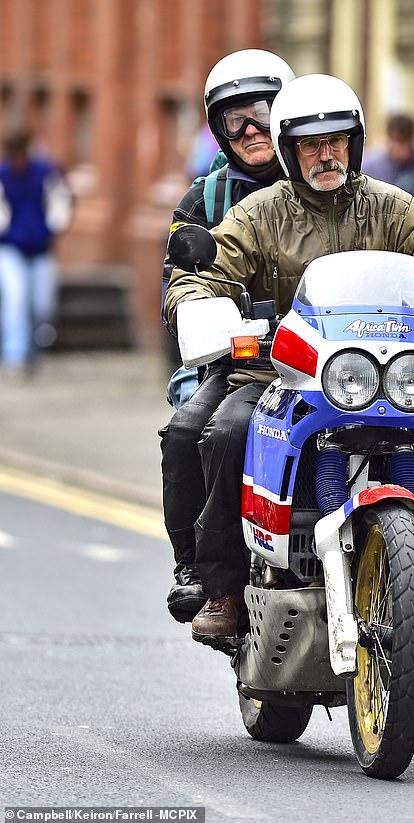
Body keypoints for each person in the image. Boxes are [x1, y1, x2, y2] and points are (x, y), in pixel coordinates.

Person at [164, 74, 414, 660]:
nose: (326, 154)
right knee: (227, 431)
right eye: (311, 145)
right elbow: (204, 272)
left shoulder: (391, 208)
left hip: (384, 372)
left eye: (338, 141)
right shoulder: (258, 213)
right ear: (290, 152)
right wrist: (201, 306)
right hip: (278, 373)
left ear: (356, 142)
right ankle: (220, 590)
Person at [158, 49, 295, 624]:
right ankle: (202, 572)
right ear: (217, 129)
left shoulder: (323, 177)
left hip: (339, 358)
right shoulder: (206, 197)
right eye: (234, 119)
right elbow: (176, 277)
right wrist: (198, 312)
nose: (249, 130)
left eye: (261, 112)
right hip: (241, 357)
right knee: (190, 432)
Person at [0, 126, 72, 375]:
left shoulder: (44, 172)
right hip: (10, 248)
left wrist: (54, 227)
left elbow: (59, 202)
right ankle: (15, 354)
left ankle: (33, 348)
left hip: (41, 249)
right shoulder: (3, 175)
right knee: (16, 299)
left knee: (42, 304)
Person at [363, 113, 414, 217]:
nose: (400, 148)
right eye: (396, 141)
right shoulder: (368, 169)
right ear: (388, 139)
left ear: (413, 140)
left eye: (404, 142)